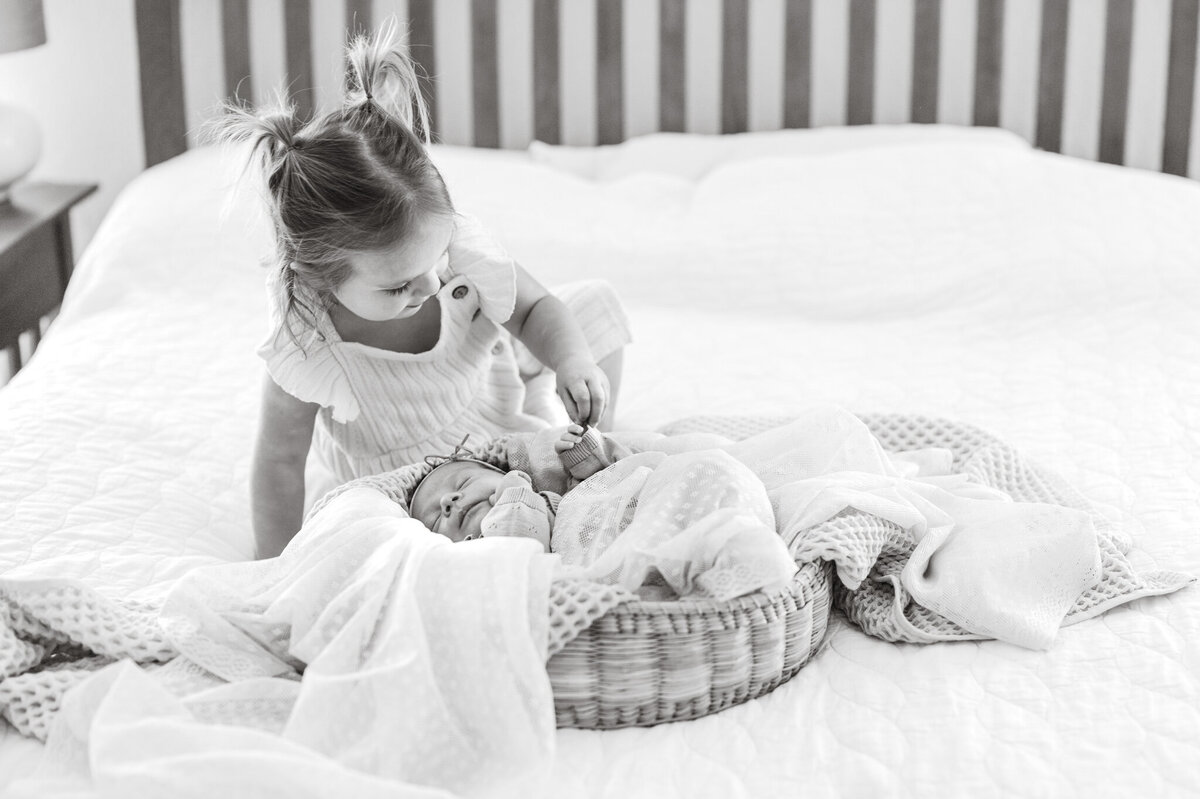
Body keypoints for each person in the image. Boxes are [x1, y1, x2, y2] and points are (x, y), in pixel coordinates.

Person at [213, 23, 631, 559]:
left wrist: (573, 362)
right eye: (397, 286)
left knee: (590, 305)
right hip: (421, 479)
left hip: (488, 397)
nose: (430, 286)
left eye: (434, 261)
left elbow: (533, 310)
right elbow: (278, 463)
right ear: (321, 278)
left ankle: (593, 448)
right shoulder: (308, 342)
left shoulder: (456, 254)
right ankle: (550, 441)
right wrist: (275, 569)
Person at [409, 424, 626, 549]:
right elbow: (519, 547)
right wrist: (514, 496)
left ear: (500, 472)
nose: (447, 501)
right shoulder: (479, 554)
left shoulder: (554, 497)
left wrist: (584, 459)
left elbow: (606, 488)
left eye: (464, 482)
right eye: (435, 521)